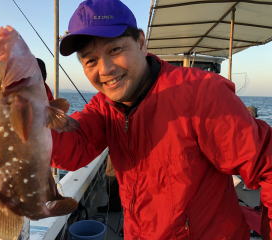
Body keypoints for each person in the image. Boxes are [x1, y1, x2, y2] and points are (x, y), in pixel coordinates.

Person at [50, 0, 272, 239]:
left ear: (141, 43)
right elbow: (72, 148)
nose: (105, 69)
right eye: (90, 60)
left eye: (115, 50)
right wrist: (22, 117)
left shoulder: (201, 93)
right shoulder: (104, 107)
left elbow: (266, 164)